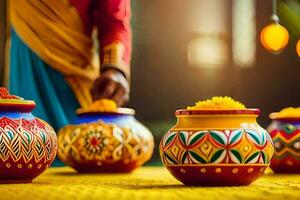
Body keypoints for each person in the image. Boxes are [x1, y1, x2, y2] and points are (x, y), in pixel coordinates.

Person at [8, 0, 131, 133]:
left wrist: (114, 68)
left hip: (74, 79)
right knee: (23, 142)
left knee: (78, 145)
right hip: (25, 63)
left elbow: (114, 21)